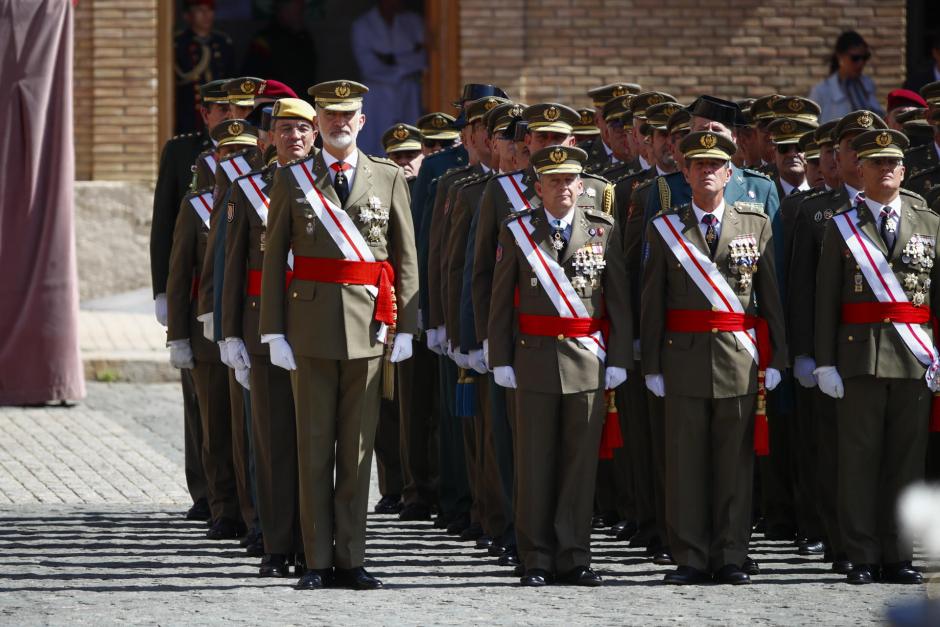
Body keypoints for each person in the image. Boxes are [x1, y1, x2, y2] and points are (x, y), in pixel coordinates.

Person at [259, 80, 418, 591]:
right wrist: (273, 332)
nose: (339, 122)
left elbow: (404, 257)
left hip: (369, 332)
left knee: (355, 451)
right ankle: (315, 560)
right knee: (312, 450)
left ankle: (350, 558)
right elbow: (271, 259)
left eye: (348, 115)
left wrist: (409, 326)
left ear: (363, 121)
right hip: (308, 330)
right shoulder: (293, 179)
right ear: (318, 121)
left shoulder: (389, 177)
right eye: (329, 115)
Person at [642, 130, 788, 585]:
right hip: (682, 359)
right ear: (684, 172)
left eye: (715, 164)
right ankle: (689, 555)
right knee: (684, 462)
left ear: (730, 172)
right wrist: (651, 365)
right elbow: (652, 301)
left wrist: (778, 358)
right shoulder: (665, 227)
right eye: (698, 164)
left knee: (734, 465)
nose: (707, 171)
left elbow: (771, 299)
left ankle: (729, 553)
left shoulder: (756, 222)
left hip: (738, 360)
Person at [488, 145, 631, 587]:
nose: (564, 187)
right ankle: (535, 557)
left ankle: (574, 555)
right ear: (538, 187)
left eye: (571, 180)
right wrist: (501, 357)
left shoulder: (602, 229)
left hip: (587, 362)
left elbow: (618, 298)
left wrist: (620, 357)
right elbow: (500, 301)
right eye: (554, 180)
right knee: (534, 464)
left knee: (578, 465)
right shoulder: (517, 230)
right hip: (533, 359)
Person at [814, 128, 934, 586]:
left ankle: (898, 554)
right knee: (858, 462)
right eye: (876, 162)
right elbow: (825, 299)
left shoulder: (930, 223)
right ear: (858, 170)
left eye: (893, 163)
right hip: (859, 359)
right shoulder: (841, 224)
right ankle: (860, 553)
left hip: (915, 359)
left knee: (906, 463)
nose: (885, 169)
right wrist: (824, 362)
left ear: (904, 170)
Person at [789, 109, 889, 575]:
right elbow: (803, 289)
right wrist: (806, 352)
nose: (860, 156)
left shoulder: (904, 207)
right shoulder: (814, 210)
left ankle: (881, 540)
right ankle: (839, 539)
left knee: (883, 452)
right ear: (837, 156)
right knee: (832, 451)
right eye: (850, 148)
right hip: (834, 351)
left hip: (889, 350)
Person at [220, 98, 317, 578]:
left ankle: (316, 541)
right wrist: (229, 333)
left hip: (319, 329)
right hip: (262, 329)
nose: (293, 137)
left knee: (320, 444)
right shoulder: (247, 189)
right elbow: (231, 264)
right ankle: (278, 545)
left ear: (315, 134)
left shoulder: (330, 184)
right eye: (284, 129)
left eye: (302, 128)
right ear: (268, 138)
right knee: (274, 441)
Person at [166, 119, 261, 542]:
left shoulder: (265, 199)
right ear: (215, 158)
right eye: (228, 152)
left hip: (251, 326)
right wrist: (179, 337)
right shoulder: (197, 205)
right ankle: (223, 509)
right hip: (206, 334)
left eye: (244, 152)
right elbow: (179, 270)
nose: (236, 159)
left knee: (249, 430)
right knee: (216, 426)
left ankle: (254, 511)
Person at [150, 78, 230, 522]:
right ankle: (202, 489)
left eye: (239, 110)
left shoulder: (257, 150)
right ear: (205, 114)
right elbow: (165, 225)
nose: (230, 118)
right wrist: (164, 291)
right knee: (198, 397)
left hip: (233, 295)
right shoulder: (182, 153)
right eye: (221, 110)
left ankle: (228, 490)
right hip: (196, 292)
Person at [350, 0, 426, 155]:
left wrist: (391, 59)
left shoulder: (413, 22)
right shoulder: (363, 25)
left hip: (409, 91)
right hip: (376, 94)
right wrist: (406, 60)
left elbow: (423, 58)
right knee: (374, 142)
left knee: (409, 141)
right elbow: (369, 66)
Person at [174, 0, 234, 134]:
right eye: (200, 10)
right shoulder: (179, 44)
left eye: (210, 10)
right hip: (188, 116)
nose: (206, 15)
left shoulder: (223, 42)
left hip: (219, 115)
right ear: (187, 15)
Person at [241, 0, 318, 100]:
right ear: (281, 9)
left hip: (302, 105)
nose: (299, 10)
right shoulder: (265, 41)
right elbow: (252, 81)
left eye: (300, 7)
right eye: (294, 5)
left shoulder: (304, 38)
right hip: (273, 107)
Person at [809, 30, 884, 123]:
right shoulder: (821, 92)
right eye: (855, 58)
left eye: (865, 57)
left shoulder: (867, 85)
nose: (861, 63)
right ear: (840, 57)